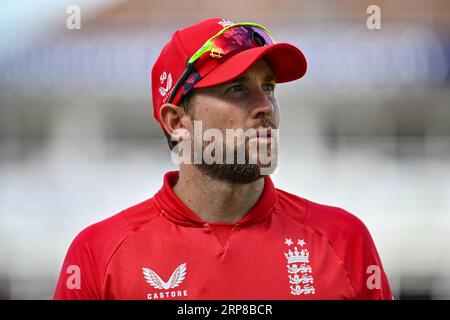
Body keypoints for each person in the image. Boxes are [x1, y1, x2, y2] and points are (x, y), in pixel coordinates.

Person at [53, 18, 393, 300]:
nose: (266, 107)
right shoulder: (98, 254)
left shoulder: (345, 240)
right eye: (237, 89)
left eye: (269, 87)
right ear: (177, 122)